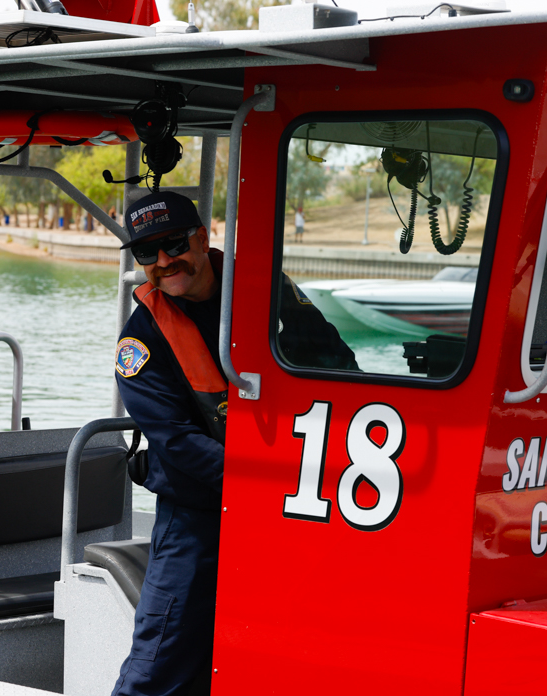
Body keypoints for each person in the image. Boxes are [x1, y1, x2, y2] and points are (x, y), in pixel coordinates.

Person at [113, 191, 355, 696]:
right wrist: (262, 484)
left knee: (282, 650)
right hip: (196, 517)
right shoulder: (140, 341)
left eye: (174, 244)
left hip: (291, 504)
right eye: (146, 252)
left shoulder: (265, 290)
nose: (163, 261)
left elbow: (336, 362)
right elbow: (177, 443)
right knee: (158, 664)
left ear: (202, 239)